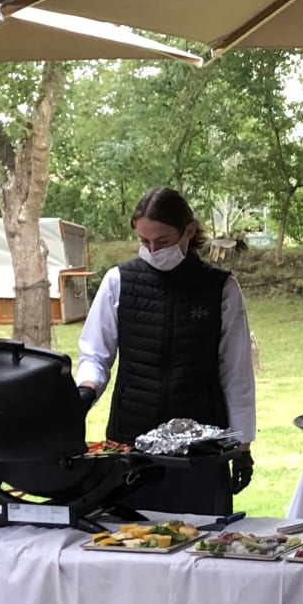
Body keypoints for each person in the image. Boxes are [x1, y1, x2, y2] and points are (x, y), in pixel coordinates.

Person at [76, 187, 256, 509]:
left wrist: (243, 446)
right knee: (128, 536)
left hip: (201, 449)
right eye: (144, 241)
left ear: (188, 231)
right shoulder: (118, 281)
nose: (152, 250)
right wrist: (87, 390)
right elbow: (94, 354)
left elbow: (236, 372)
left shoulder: (221, 288)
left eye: (162, 242)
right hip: (131, 444)